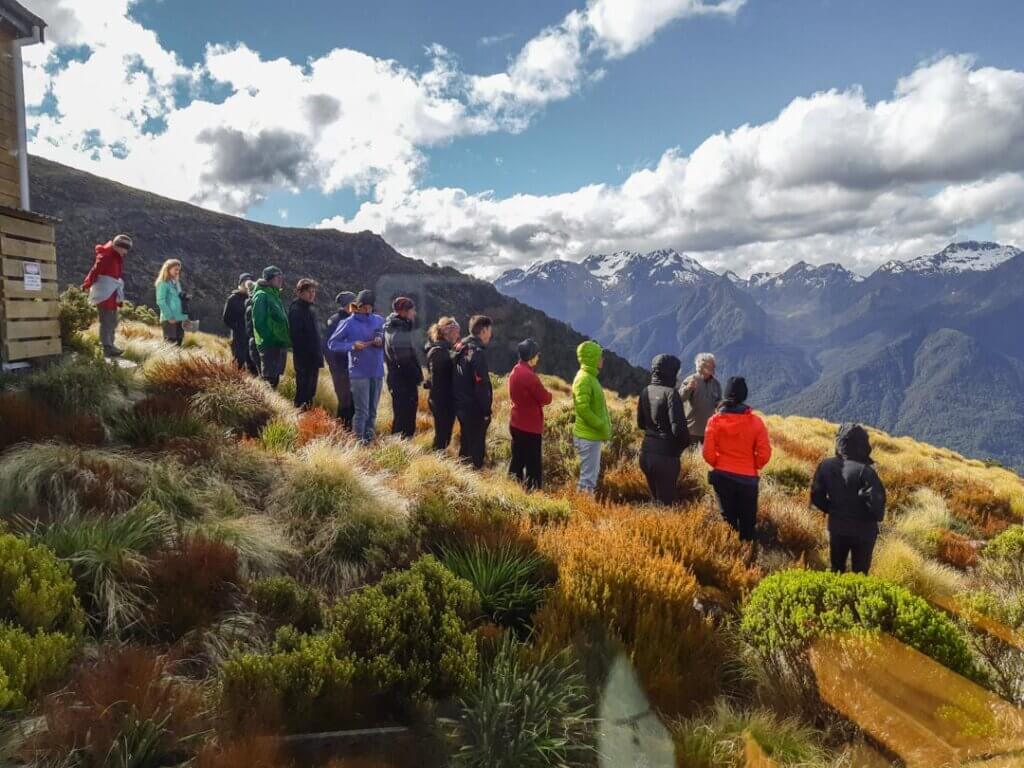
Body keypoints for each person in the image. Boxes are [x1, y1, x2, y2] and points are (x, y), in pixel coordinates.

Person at [703, 377, 771, 544]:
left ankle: (732, 557)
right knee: (748, 523)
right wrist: (753, 465)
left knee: (728, 522)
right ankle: (749, 558)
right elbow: (764, 453)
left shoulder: (715, 420)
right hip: (748, 480)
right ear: (744, 395)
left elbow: (707, 452)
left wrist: (718, 464)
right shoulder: (756, 422)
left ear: (726, 395)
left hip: (722, 477)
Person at [811, 424, 887, 574]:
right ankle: (856, 596)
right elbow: (877, 504)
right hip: (863, 531)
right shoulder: (865, 471)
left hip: (836, 527)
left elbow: (816, 496)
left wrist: (831, 509)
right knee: (860, 573)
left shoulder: (826, 465)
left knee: (836, 568)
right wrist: (871, 518)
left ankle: (833, 596)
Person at [327, 290, 385, 443]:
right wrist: (352, 345)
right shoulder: (347, 322)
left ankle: (368, 440)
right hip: (359, 373)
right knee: (362, 411)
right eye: (364, 307)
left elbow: (385, 337)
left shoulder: (379, 320)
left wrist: (381, 340)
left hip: (377, 371)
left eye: (369, 307)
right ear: (357, 305)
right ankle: (358, 443)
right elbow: (332, 344)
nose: (367, 310)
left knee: (372, 411)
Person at [637, 354, 690, 505]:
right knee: (666, 504)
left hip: (646, 454)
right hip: (666, 458)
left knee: (656, 501)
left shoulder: (645, 391)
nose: (678, 375)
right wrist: (684, 445)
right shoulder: (671, 394)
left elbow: (641, 424)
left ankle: (650, 527)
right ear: (670, 372)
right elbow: (678, 429)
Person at [508, 338, 553, 490]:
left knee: (517, 461)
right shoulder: (529, 376)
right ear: (531, 356)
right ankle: (533, 493)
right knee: (533, 466)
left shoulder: (515, 370)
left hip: (516, 422)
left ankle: (512, 489)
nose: (538, 358)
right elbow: (545, 398)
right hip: (530, 427)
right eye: (537, 355)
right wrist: (550, 394)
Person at [453, 315, 494, 469]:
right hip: (474, 409)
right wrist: (486, 411)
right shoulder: (477, 353)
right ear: (483, 331)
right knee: (476, 450)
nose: (490, 334)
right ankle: (474, 480)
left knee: (465, 444)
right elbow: (481, 385)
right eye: (489, 330)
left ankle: (462, 476)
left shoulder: (460, 347)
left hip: (460, 405)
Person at [82, 233, 131, 357]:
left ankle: (111, 345)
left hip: (112, 293)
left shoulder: (116, 256)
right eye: (125, 248)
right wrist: (86, 284)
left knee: (112, 321)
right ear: (118, 246)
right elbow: (95, 270)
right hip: (104, 294)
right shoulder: (106, 256)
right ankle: (107, 347)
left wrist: (119, 299)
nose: (126, 252)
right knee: (107, 321)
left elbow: (116, 278)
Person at [572, 340, 612, 494]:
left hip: (591, 435)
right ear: (591, 358)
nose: (602, 359)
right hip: (588, 437)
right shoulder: (585, 379)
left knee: (589, 478)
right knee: (587, 480)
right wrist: (601, 425)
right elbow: (583, 409)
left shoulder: (589, 377)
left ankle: (583, 510)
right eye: (600, 356)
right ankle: (583, 513)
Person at [384, 297, 424, 439]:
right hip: (403, 381)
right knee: (405, 418)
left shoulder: (392, 327)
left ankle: (398, 449)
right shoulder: (399, 330)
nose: (414, 313)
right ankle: (401, 450)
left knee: (401, 416)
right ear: (404, 311)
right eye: (412, 310)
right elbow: (403, 358)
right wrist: (416, 375)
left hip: (397, 378)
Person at [251, 266, 291, 389]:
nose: (280, 279)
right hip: (270, 345)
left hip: (279, 344)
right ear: (269, 279)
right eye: (277, 276)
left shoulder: (274, 295)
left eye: (281, 276)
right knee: (268, 381)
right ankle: (262, 407)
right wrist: (269, 339)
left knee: (275, 379)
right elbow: (259, 322)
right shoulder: (262, 295)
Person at [424, 317, 459, 451]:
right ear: (447, 332)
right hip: (441, 400)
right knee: (442, 435)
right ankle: (436, 459)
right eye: (455, 331)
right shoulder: (438, 351)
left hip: (444, 399)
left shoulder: (445, 349)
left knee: (445, 434)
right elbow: (438, 379)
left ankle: (439, 457)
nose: (458, 335)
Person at [288, 279, 324, 410]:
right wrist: (309, 354)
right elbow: (297, 337)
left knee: (310, 393)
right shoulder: (296, 310)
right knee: (303, 392)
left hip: (313, 358)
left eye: (314, 291)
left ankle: (307, 421)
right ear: (299, 292)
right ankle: (299, 419)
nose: (312, 294)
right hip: (304, 359)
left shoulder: (310, 309)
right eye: (309, 291)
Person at [325, 291, 356, 428]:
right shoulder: (338, 321)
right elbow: (329, 347)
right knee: (345, 402)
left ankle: (346, 432)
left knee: (349, 401)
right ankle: (343, 432)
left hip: (345, 368)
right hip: (342, 368)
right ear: (348, 304)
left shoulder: (340, 319)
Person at [679, 353, 722, 445]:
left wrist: (721, 404)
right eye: (712, 364)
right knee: (691, 458)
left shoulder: (716, 384)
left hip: (709, 431)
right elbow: (679, 399)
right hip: (691, 431)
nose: (715, 366)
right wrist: (688, 389)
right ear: (702, 366)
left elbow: (718, 403)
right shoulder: (690, 380)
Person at [223, 273, 254, 370]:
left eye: (249, 282)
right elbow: (226, 318)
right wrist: (237, 328)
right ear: (240, 284)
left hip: (252, 337)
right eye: (244, 282)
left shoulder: (253, 298)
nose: (246, 285)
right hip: (238, 337)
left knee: (252, 363)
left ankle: (253, 384)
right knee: (238, 362)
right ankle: (237, 382)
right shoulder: (233, 298)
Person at [154, 259, 189, 346]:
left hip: (180, 318)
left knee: (179, 343)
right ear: (168, 269)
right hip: (170, 319)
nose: (177, 272)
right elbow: (160, 301)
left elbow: (178, 298)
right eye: (175, 269)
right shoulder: (162, 283)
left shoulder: (177, 283)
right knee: (170, 344)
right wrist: (169, 316)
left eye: (179, 270)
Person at [243, 280, 261, 376]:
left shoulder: (251, 305)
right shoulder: (252, 307)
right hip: (255, 342)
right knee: (257, 372)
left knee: (256, 371)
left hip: (253, 341)